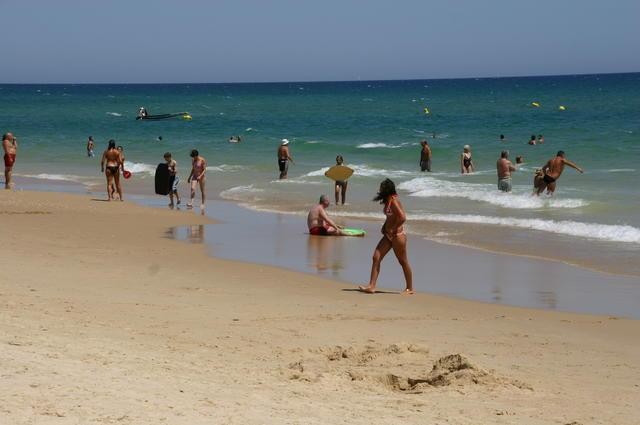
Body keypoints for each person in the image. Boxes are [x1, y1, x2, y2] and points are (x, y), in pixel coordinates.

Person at [359, 179, 413, 295]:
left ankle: (409, 288)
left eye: (382, 188)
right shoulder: (387, 200)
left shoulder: (394, 200)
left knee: (403, 261)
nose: (380, 190)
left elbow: (402, 217)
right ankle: (372, 286)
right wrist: (384, 226)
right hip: (388, 236)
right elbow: (390, 217)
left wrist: (393, 229)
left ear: (387, 189)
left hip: (397, 236)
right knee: (376, 257)